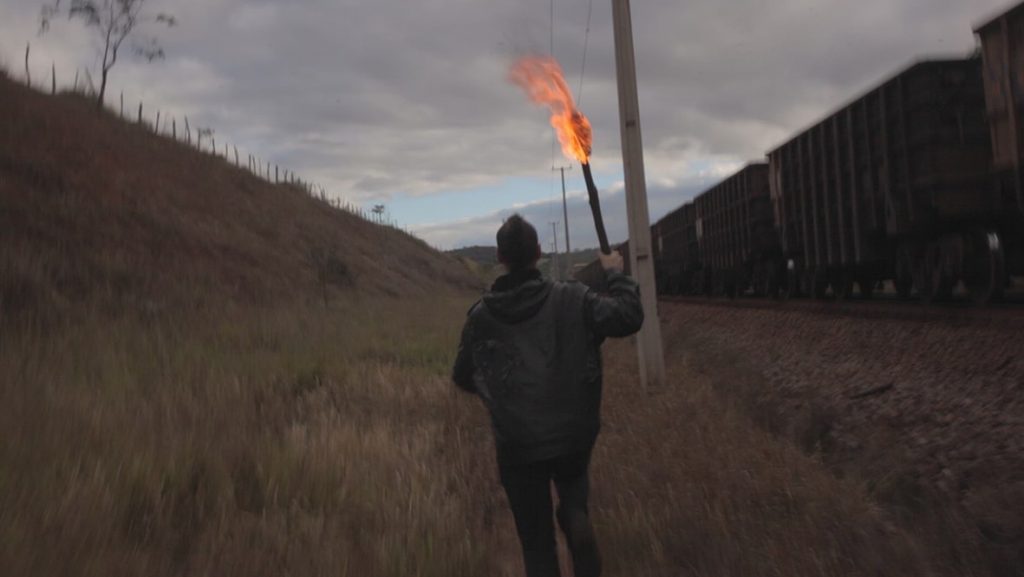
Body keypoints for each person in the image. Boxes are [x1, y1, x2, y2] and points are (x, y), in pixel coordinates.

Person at [452, 213, 644, 577]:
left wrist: (499, 392)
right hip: (573, 435)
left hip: (518, 445)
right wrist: (615, 273)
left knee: (536, 545)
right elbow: (628, 316)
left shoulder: (481, 317)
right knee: (573, 492)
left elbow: (463, 375)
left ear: (500, 258)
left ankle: (561, 539)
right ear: (539, 252)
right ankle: (575, 518)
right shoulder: (573, 297)